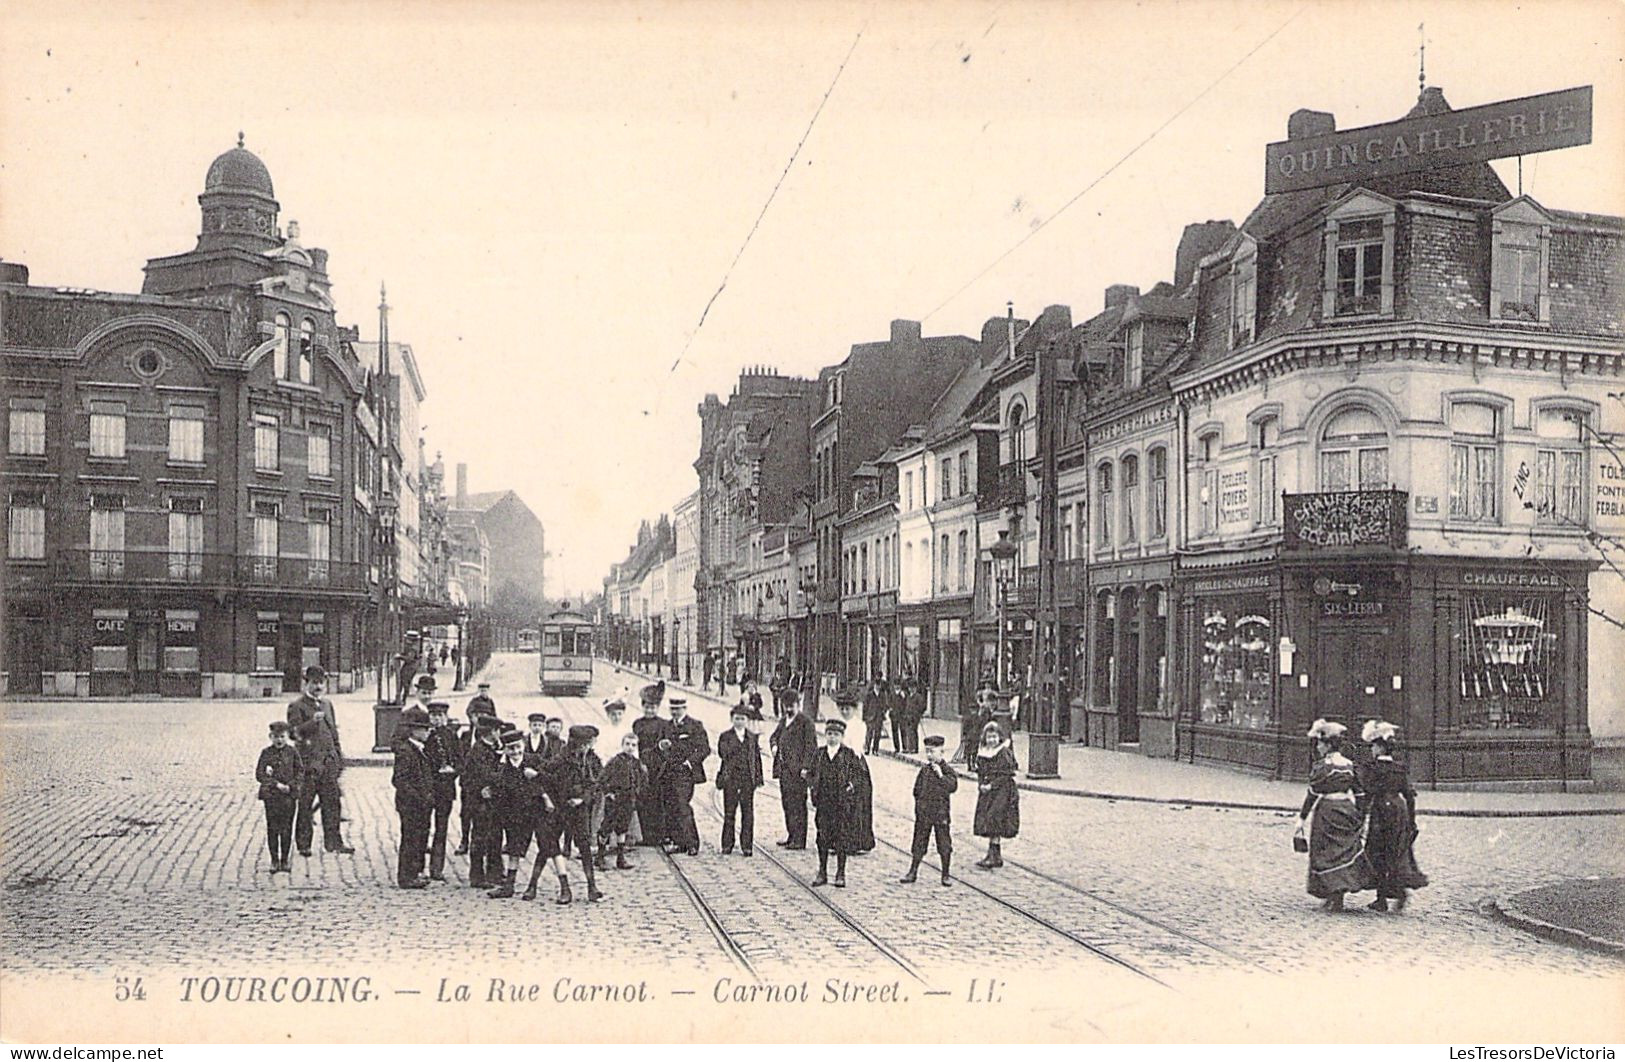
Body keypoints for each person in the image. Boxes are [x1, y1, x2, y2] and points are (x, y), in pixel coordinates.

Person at [1296, 719, 1375, 912]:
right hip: (1347, 810)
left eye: (1321, 744)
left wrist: (1301, 818)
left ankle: (1331, 894)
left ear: (1329, 744)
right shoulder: (1350, 765)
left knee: (1324, 852)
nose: (1318, 747)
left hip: (1327, 811)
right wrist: (1361, 815)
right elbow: (1360, 794)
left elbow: (1312, 794)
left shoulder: (1323, 767)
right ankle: (1337, 895)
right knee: (1342, 851)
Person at [1357, 719, 1427, 913]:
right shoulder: (1399, 768)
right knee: (1397, 852)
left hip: (1381, 812)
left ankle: (1381, 899)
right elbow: (1410, 795)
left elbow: (1368, 793)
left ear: (1380, 748)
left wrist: (1361, 817)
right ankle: (1400, 891)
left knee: (1377, 851)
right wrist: (1411, 821)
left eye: (1373, 746)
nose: (1371, 750)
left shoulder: (1372, 768)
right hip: (1399, 811)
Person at [287, 665, 353, 856]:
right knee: (306, 805)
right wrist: (311, 723)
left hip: (328, 763)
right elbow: (293, 734)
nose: (318, 687)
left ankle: (334, 842)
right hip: (308, 765)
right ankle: (304, 844)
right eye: (314, 683)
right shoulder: (297, 706)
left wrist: (338, 757)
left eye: (321, 683)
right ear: (306, 684)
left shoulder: (327, 705)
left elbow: (333, 733)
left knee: (332, 804)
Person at [549, 725, 605, 903]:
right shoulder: (560, 759)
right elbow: (546, 776)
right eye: (586, 744)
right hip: (561, 809)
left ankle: (592, 886)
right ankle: (564, 888)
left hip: (580, 809)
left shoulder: (589, 759)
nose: (588, 747)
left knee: (585, 846)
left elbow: (595, 784)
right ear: (579, 745)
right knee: (550, 847)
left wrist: (582, 799)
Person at [807, 717, 863, 888]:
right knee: (822, 836)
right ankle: (822, 871)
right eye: (829, 734)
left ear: (842, 736)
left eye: (836, 734)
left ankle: (840, 872)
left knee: (841, 837)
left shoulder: (848, 755)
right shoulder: (819, 753)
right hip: (823, 802)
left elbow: (858, 775)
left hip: (841, 803)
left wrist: (850, 787)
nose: (832, 737)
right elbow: (810, 772)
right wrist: (812, 785)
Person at [901, 734, 957, 886]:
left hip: (940, 814)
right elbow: (917, 790)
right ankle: (913, 871)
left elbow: (952, 786)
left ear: (941, 753)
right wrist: (919, 808)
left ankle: (945, 874)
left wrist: (941, 775)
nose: (930, 755)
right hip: (924, 813)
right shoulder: (924, 770)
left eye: (933, 751)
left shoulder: (947, 771)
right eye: (927, 752)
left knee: (944, 844)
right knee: (919, 842)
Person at [487, 727, 535, 899]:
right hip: (511, 814)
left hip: (533, 813)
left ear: (524, 745)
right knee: (514, 848)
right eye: (511, 748)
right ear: (505, 750)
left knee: (547, 847)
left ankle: (537, 884)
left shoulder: (533, 762)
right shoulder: (502, 767)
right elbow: (496, 785)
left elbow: (546, 779)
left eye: (518, 747)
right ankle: (510, 885)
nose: (515, 752)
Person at [391, 706, 435, 890]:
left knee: (420, 837)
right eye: (425, 729)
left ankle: (416, 872)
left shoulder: (418, 749)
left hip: (421, 804)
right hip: (410, 804)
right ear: (415, 730)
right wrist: (418, 797)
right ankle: (406, 876)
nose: (428, 732)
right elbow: (399, 780)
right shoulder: (406, 751)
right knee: (410, 838)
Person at [661, 697, 710, 856]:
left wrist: (690, 762)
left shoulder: (695, 726)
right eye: (672, 709)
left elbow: (704, 749)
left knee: (683, 805)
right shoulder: (667, 726)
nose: (675, 712)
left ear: (684, 708)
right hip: (669, 771)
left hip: (685, 773)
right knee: (672, 806)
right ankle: (678, 842)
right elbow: (661, 745)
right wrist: (661, 747)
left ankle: (692, 843)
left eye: (678, 709)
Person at [716, 703, 764, 856]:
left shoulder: (751, 737)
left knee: (747, 813)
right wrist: (737, 742)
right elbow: (723, 753)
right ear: (732, 719)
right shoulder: (725, 736)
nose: (739, 722)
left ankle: (747, 845)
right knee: (729, 813)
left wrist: (758, 778)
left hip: (746, 781)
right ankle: (727, 844)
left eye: (742, 719)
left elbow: (756, 759)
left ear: (747, 720)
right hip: (730, 779)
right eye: (737, 718)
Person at [770, 689, 816, 850]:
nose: (789, 710)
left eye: (792, 706)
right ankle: (791, 834)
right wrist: (774, 746)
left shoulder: (806, 723)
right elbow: (774, 736)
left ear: (798, 704)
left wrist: (806, 767)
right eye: (786, 706)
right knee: (787, 803)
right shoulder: (784, 721)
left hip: (798, 772)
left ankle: (799, 839)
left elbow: (811, 748)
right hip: (784, 770)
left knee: (798, 804)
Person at [255, 720, 302, 874]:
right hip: (272, 796)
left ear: (287, 736)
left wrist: (291, 785)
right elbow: (260, 774)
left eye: (282, 736)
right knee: (273, 828)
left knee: (287, 828)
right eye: (276, 737)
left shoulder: (292, 752)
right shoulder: (266, 753)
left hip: (288, 796)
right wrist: (275, 784)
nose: (279, 740)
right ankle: (274, 860)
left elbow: (300, 772)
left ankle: (285, 859)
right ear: (270, 737)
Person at [463, 716, 505, 889]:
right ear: (492, 732)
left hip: (491, 800)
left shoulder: (491, 749)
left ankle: (494, 873)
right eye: (498, 730)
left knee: (495, 836)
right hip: (480, 802)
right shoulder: (478, 751)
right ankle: (477, 876)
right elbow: (484, 775)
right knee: (480, 837)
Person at [972, 721, 1020, 869]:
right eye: (989, 737)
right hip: (988, 791)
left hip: (1002, 791)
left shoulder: (1003, 752)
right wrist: (981, 785)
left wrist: (991, 785)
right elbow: (980, 770)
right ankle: (993, 854)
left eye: (994, 737)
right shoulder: (983, 751)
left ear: (999, 737)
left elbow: (1006, 774)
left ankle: (994, 854)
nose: (992, 740)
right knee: (988, 818)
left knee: (995, 818)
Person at [424, 700, 461, 881]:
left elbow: (460, 759)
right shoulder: (425, 735)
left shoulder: (451, 735)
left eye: (440, 716)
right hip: (429, 787)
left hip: (446, 788)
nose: (437, 719)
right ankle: (418, 866)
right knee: (423, 826)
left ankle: (436, 867)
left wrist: (453, 771)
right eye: (434, 716)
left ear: (446, 718)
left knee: (442, 827)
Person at [598, 732, 646, 871]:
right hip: (615, 799)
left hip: (628, 799)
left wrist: (637, 792)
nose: (630, 747)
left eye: (633, 745)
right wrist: (608, 793)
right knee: (607, 826)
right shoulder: (615, 761)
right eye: (627, 744)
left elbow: (643, 780)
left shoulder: (637, 763)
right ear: (622, 745)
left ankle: (620, 857)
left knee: (622, 828)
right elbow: (602, 779)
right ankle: (600, 857)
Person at [632, 685, 672, 848]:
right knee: (644, 800)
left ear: (658, 707)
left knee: (659, 800)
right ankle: (646, 835)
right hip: (643, 765)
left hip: (659, 766)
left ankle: (660, 835)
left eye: (653, 707)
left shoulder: (664, 724)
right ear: (642, 707)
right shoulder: (637, 724)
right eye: (647, 707)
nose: (650, 710)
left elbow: (667, 746)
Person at [862, 679, 889, 755]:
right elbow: (865, 706)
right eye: (876, 685)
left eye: (879, 685)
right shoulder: (869, 695)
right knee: (869, 733)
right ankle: (867, 748)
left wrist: (884, 711)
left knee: (877, 734)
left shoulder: (882, 695)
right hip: (870, 717)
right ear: (874, 685)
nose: (877, 686)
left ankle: (875, 750)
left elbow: (885, 705)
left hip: (879, 717)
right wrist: (864, 717)